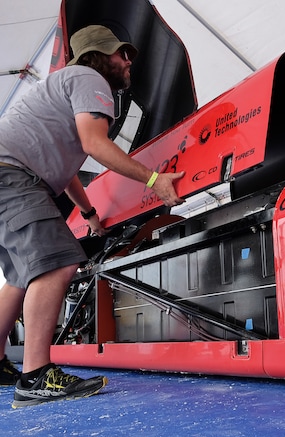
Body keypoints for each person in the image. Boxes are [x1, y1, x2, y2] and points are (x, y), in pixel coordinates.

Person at [0, 24, 185, 408]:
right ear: (100, 57)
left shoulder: (63, 89)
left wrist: (89, 214)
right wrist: (154, 179)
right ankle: (35, 378)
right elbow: (95, 144)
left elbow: (66, 168)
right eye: (122, 54)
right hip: (13, 175)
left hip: (9, 174)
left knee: (21, 276)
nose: (128, 61)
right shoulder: (88, 78)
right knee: (57, 264)